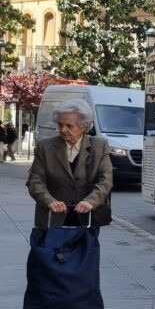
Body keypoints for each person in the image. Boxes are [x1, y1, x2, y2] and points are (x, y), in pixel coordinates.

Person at [27, 98, 113, 230]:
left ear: (83, 126)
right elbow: (35, 180)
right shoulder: (46, 147)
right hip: (53, 217)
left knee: (85, 250)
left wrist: (91, 201)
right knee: (51, 250)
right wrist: (49, 200)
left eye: (69, 126)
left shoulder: (99, 146)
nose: (63, 130)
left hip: (87, 216)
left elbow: (105, 180)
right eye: (60, 125)